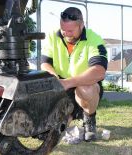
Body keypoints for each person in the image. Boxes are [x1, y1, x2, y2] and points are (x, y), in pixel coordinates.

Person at [41, 7, 108, 142]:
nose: (66, 33)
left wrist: (67, 82)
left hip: (85, 86)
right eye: (63, 29)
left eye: (70, 30)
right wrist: (55, 78)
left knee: (86, 89)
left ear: (81, 25)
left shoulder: (94, 39)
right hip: (62, 85)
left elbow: (99, 71)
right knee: (55, 127)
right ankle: (71, 115)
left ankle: (89, 118)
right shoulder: (53, 36)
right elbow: (45, 63)